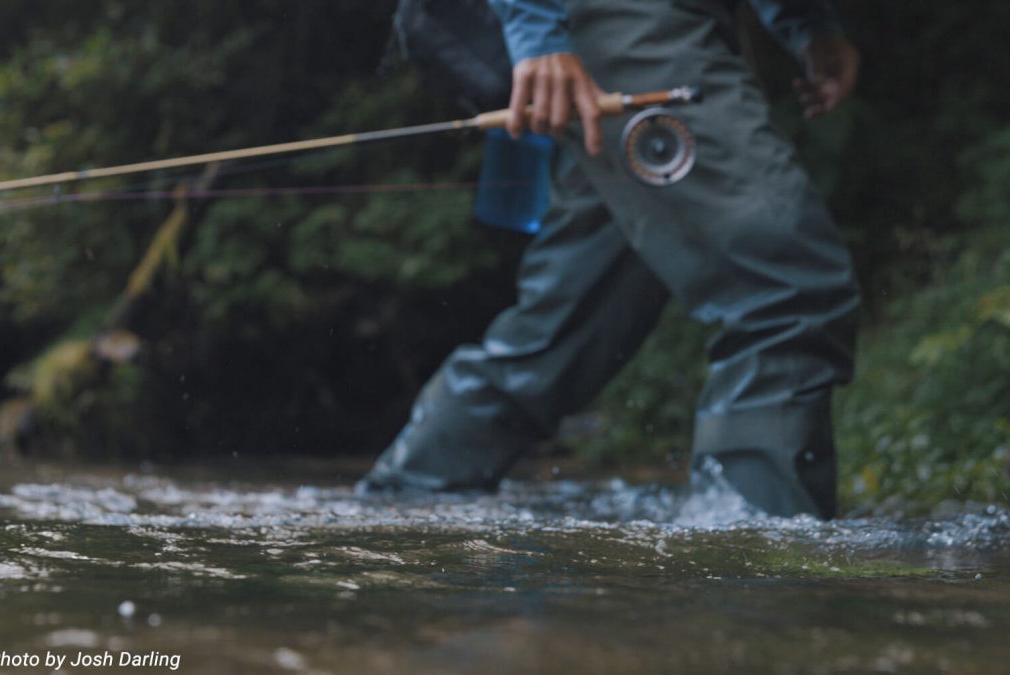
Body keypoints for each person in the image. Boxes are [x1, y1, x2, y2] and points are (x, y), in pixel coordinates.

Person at [358, 0, 861, 519]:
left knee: (565, 326)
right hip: (616, 17)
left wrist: (806, 23)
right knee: (786, 289)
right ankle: (762, 561)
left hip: (674, 23)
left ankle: (399, 509)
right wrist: (536, 28)